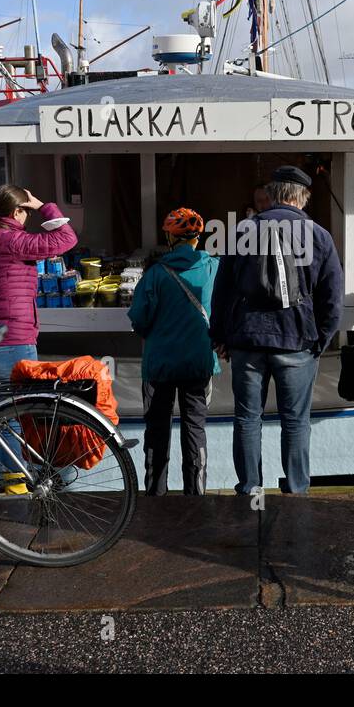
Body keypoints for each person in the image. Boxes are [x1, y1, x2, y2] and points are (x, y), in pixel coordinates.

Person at [211, 165, 344, 495]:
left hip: (247, 339)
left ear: (271, 195)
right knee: (296, 421)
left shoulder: (243, 231)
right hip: (297, 341)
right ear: (303, 197)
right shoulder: (319, 235)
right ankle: (297, 492)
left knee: (247, 418)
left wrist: (220, 337)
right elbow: (332, 297)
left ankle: (250, 489)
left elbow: (223, 289)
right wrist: (321, 338)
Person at [128, 208, 219, 496]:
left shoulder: (155, 274)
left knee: (156, 431)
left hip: (159, 365)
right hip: (198, 361)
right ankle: (196, 495)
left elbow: (139, 319)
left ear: (170, 237)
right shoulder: (213, 268)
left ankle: (156, 495)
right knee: (195, 428)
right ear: (197, 238)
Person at [0, 185, 77, 381]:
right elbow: (67, 238)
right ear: (17, 211)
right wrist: (42, 206)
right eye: (27, 211)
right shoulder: (14, 241)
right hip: (13, 341)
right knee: (18, 407)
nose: (28, 216)